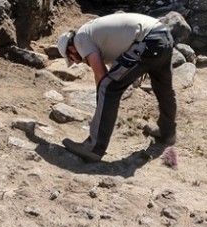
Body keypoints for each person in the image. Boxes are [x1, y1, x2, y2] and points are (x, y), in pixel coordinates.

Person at [55, 12, 176, 162]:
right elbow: (115, 70)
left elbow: (102, 75)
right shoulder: (96, 34)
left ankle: (94, 148)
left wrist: (102, 102)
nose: (76, 62)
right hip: (164, 36)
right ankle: (167, 132)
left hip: (148, 42)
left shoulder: (80, 38)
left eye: (71, 58)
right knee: (163, 88)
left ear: (71, 48)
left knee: (109, 88)